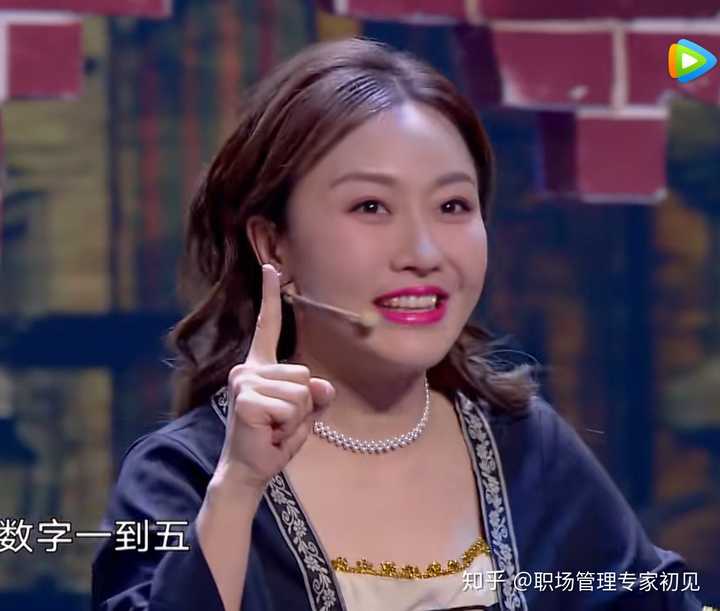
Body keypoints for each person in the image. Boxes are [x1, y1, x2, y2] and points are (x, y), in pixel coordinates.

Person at [91, 37, 713, 611]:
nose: (424, 251)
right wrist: (239, 487)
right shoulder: (188, 474)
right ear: (273, 243)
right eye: (371, 206)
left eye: (453, 205)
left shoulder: (525, 447)